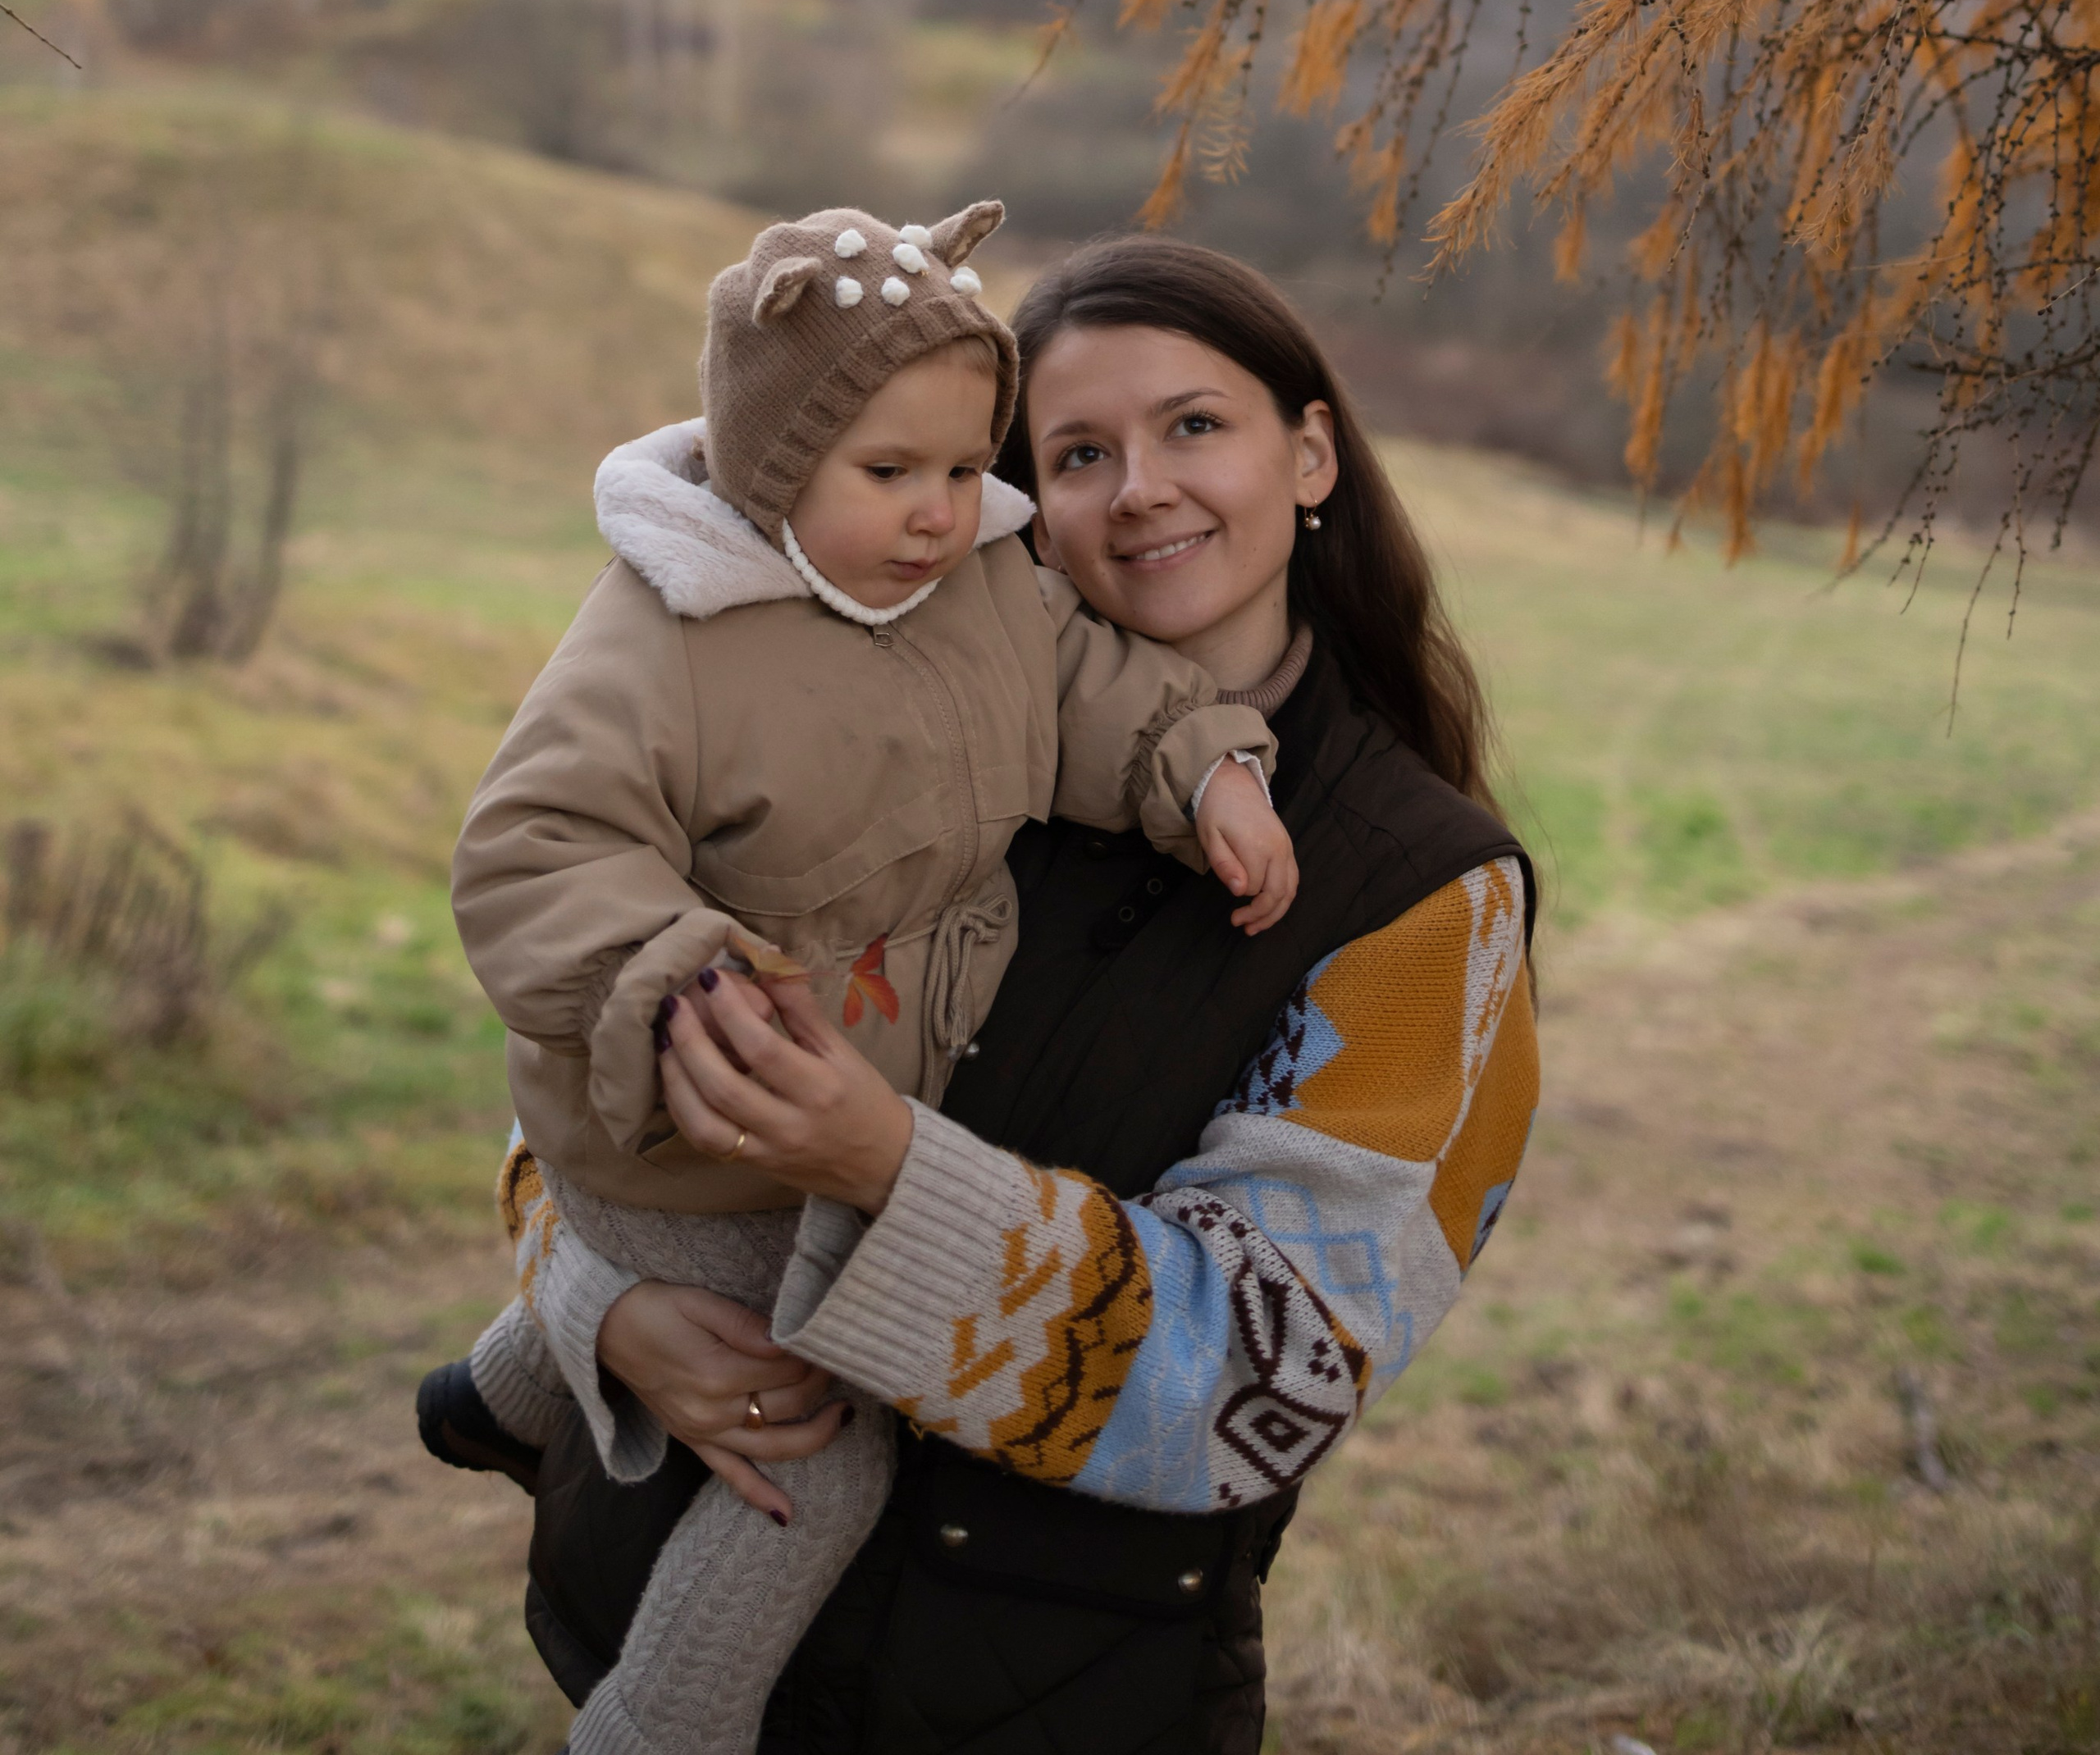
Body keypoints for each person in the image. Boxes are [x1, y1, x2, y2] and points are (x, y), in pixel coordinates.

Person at [512, 235, 1541, 1755]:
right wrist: (605, 1310)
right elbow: (580, 1058)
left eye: (1195, 425)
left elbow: (1265, 1372)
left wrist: (880, 1168)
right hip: (663, 1614)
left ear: (1310, 452)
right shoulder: (866, 725)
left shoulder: (1426, 900)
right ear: (1017, 506)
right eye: (1076, 453)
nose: (1138, 487)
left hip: (1052, 1702)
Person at [431, 202, 1294, 1755]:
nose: (939, 513)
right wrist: (679, 980)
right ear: (770, 468)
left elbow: (1089, 682)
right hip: (705, 1118)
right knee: (827, 1454)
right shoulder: (667, 640)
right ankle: (659, 1724)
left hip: (843, 1102)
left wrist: (1205, 767)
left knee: (705, 1305)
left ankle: (512, 1387)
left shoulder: (977, 586)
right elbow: (535, 849)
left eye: (970, 470)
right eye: (888, 474)